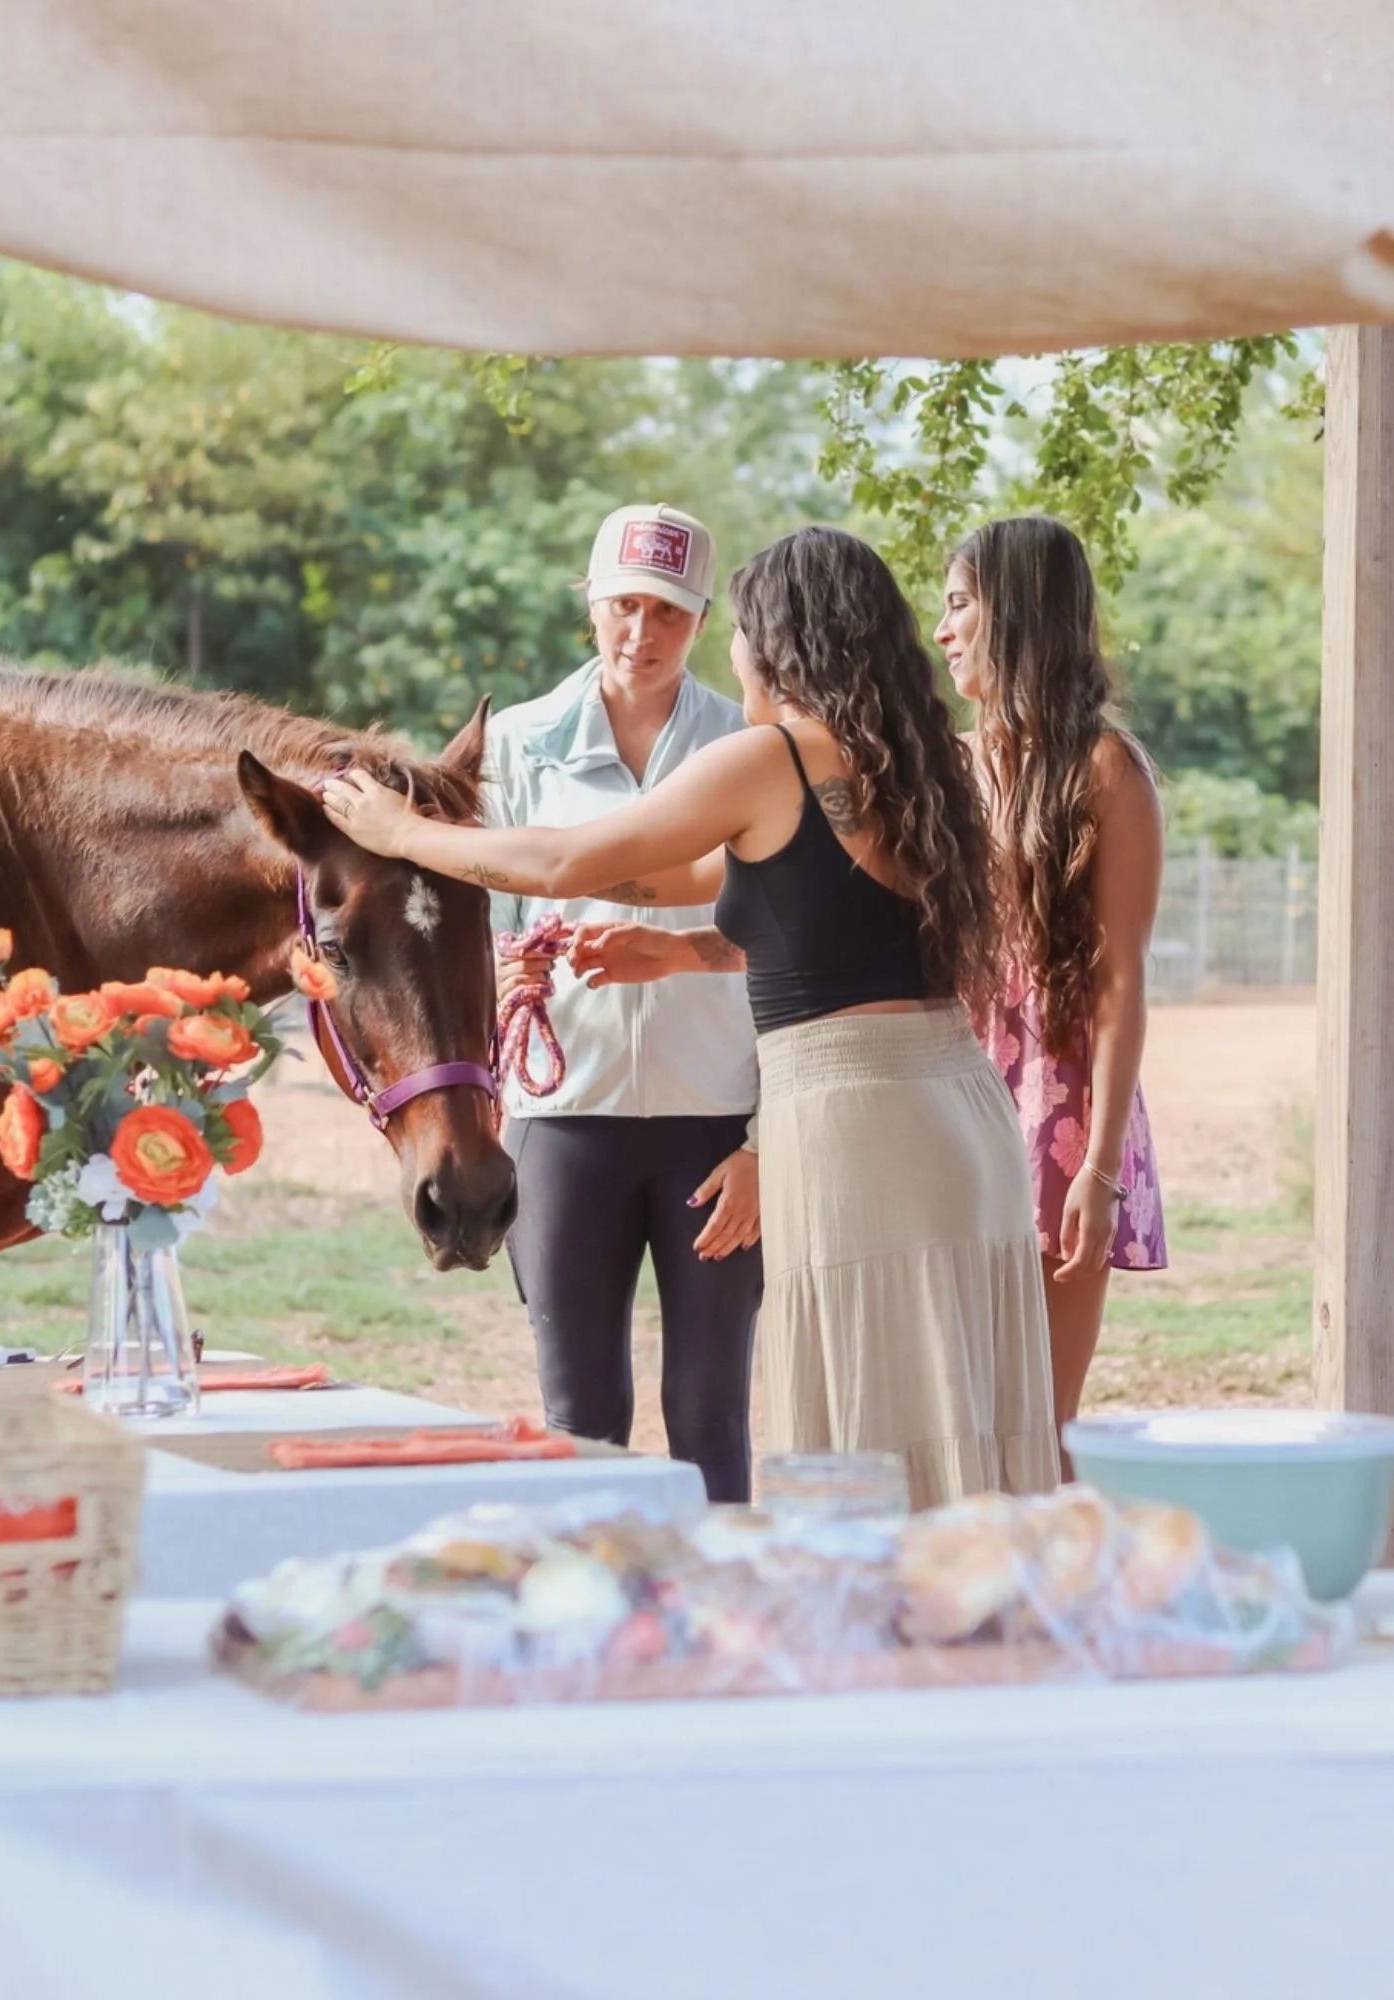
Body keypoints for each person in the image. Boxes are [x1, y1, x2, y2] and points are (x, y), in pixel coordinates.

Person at [323, 526, 1060, 1509]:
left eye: (739, 631)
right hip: (956, 1109)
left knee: (870, 1424)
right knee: (954, 1400)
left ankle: (874, 1632)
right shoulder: (917, 766)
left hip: (853, 1120)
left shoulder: (770, 757)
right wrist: (669, 948)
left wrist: (402, 832)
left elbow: (562, 864)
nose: (733, 655)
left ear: (779, 642)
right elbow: (708, 884)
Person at [422, 503, 765, 1503]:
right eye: (623, 606)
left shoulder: (747, 745)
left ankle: (719, 1621)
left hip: (716, 1120)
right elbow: (466, 916)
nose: (641, 635)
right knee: (582, 1412)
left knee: (711, 1408)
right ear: (589, 600)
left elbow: (790, 936)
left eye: (668, 612)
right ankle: (595, 1610)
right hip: (564, 1122)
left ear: (701, 620)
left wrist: (763, 1136)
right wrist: (500, 968)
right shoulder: (518, 744)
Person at [935, 516, 1168, 1464]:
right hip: (944, 1097)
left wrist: (1100, 1170)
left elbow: (1120, 982)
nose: (942, 629)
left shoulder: (1106, 771)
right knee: (956, 1416)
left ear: (1018, 613)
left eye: (957, 605)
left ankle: (1042, 1607)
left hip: (1060, 1115)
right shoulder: (939, 768)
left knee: (1041, 1431)